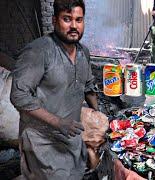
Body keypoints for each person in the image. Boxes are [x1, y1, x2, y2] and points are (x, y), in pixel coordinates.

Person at [10, 0, 98, 179]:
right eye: (67, 19)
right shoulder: (38, 51)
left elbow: (88, 86)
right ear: (54, 20)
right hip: (42, 142)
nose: (74, 26)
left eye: (79, 20)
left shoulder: (83, 53)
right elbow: (19, 96)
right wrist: (58, 122)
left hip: (71, 139)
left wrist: (98, 116)